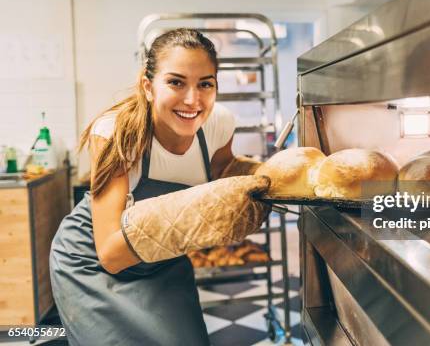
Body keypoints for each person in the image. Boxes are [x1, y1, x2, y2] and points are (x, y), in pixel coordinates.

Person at [49, 29, 268, 345]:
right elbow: (110, 253)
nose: (192, 100)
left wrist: (270, 178)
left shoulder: (219, 124)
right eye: (176, 82)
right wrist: (195, 224)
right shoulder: (115, 133)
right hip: (91, 263)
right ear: (148, 86)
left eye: (205, 84)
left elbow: (224, 179)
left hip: (161, 259)